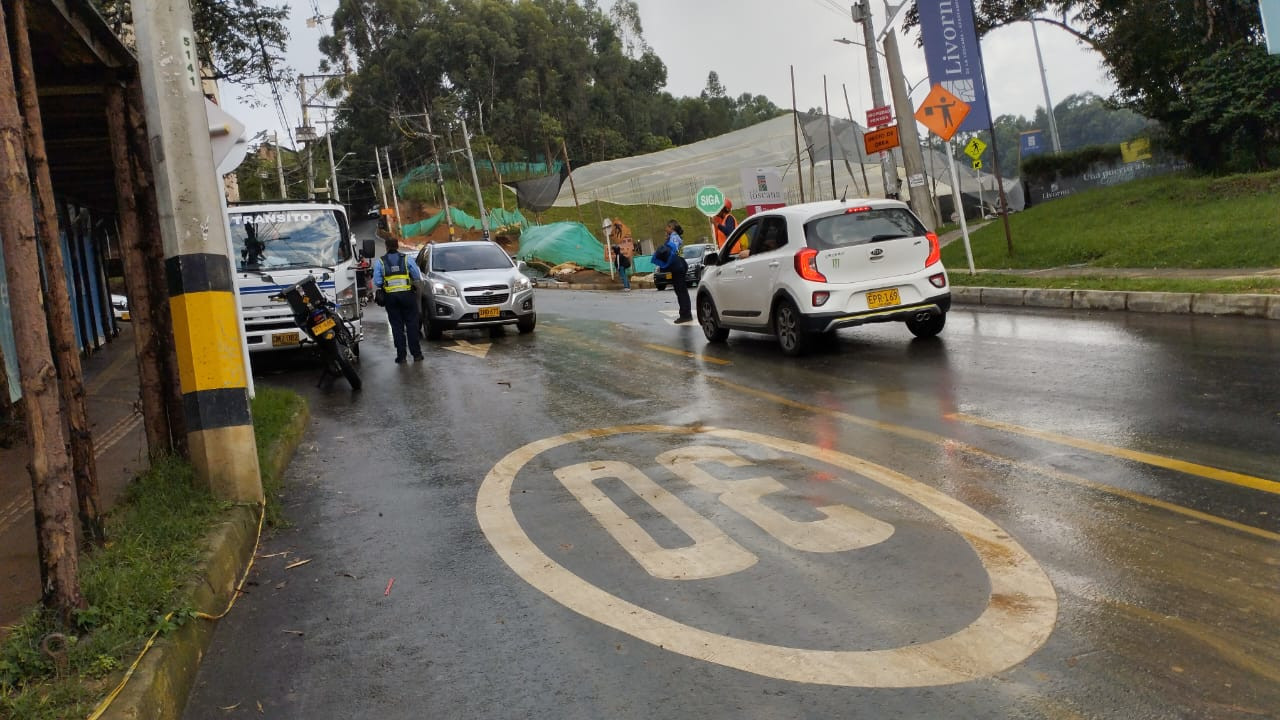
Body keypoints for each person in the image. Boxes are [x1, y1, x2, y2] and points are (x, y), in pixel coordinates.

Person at [373, 237, 423, 363]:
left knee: (397, 327)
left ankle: (401, 357)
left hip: (391, 298)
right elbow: (417, 275)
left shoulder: (381, 262)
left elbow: (378, 282)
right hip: (407, 296)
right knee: (412, 325)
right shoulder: (406, 259)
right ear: (397, 246)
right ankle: (416, 355)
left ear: (386, 247)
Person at [652, 220, 692, 323]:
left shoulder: (674, 237)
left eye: (667, 227)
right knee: (680, 291)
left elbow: (671, 250)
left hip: (678, 265)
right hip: (678, 264)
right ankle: (685, 313)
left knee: (681, 291)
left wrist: (664, 247)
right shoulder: (674, 236)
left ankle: (685, 314)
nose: (666, 229)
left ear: (671, 227)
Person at [608, 218, 634, 291]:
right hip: (624, 266)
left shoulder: (619, 256)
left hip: (622, 267)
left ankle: (626, 287)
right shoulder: (620, 254)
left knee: (623, 276)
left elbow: (618, 263)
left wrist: (618, 268)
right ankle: (628, 286)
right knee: (624, 276)